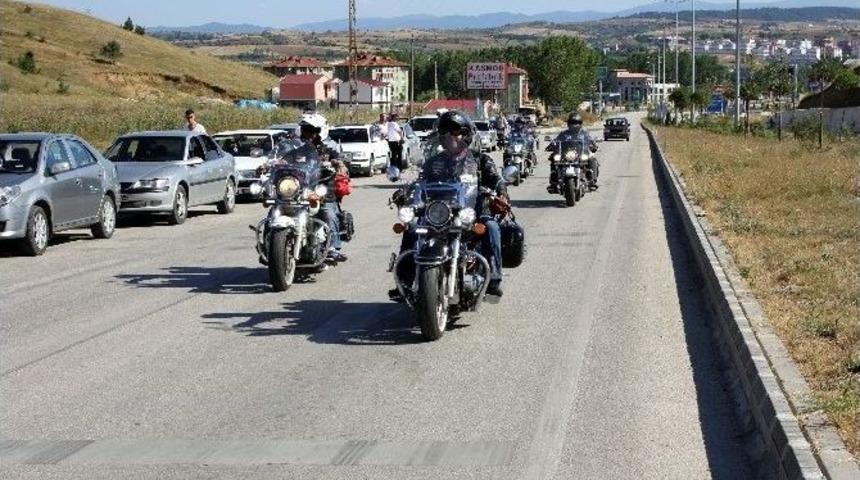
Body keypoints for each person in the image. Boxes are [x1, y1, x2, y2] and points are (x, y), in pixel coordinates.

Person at [390, 110, 507, 299]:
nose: (451, 137)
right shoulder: (433, 162)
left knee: (492, 227)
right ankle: (404, 279)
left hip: (472, 212)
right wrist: (406, 191)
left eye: (456, 132)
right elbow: (419, 181)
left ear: (466, 135)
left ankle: (494, 279)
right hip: (438, 213)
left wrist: (501, 194)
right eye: (446, 132)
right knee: (411, 228)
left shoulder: (479, 160)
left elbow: (495, 179)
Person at [296, 114, 348, 263]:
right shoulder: (299, 149)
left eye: (311, 130)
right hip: (300, 190)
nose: (307, 134)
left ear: (320, 131)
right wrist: (271, 164)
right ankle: (269, 240)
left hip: (323, 190)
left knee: (328, 213)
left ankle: (332, 248)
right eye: (305, 130)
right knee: (277, 207)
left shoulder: (329, 149)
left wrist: (339, 164)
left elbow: (340, 159)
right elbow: (286, 159)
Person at [547, 112, 599, 189]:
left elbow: (590, 140)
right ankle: (554, 181)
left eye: (576, 123)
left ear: (580, 123)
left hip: (581, 153)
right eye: (572, 123)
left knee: (592, 159)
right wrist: (552, 145)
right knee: (553, 158)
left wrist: (593, 145)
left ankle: (592, 180)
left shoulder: (584, 133)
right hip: (566, 154)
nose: (574, 125)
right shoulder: (564, 134)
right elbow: (556, 140)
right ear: (568, 123)